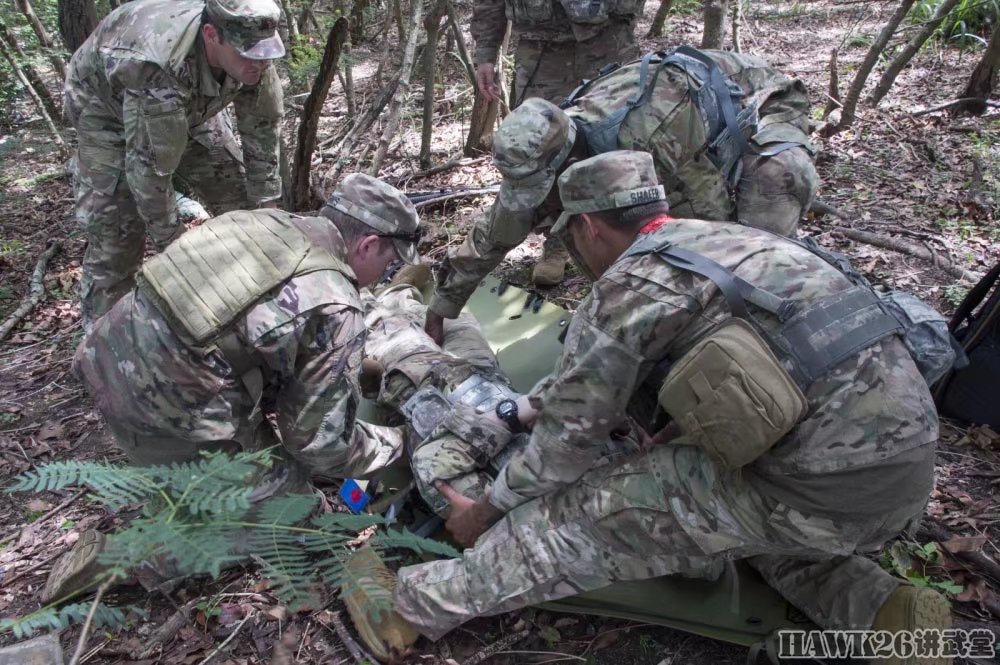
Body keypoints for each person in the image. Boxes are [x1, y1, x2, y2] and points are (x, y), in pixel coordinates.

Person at [354, 151, 949, 665]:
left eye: (570, 237)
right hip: (897, 480)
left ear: (588, 226)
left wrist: (486, 510)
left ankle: (412, 608)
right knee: (762, 529)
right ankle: (878, 608)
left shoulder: (630, 286)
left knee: (581, 518)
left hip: (808, 478)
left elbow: (564, 451)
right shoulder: (734, 240)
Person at [425, 48, 819, 341]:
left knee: (764, 212)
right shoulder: (543, 144)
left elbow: (709, 231)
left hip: (763, 105)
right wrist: (443, 305)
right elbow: (499, 228)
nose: (539, 200)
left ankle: (787, 323)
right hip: (689, 121)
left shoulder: (647, 137)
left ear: (570, 159)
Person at [72, 173, 421, 487]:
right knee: (295, 518)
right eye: (389, 263)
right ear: (369, 245)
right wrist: (402, 443)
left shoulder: (260, 221)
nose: (385, 274)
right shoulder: (336, 304)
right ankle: (128, 556)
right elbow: (319, 446)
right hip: (159, 410)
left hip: (103, 360)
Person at [65, 0, 286, 323]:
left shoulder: (254, 50)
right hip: (105, 110)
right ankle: (105, 342)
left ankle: (258, 304)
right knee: (118, 236)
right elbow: (149, 172)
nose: (261, 63)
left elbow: (262, 128)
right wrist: (177, 246)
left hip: (189, 97)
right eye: (249, 54)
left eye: (266, 54)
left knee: (242, 202)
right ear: (212, 35)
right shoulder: (158, 67)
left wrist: (268, 206)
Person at [471, 0, 644, 286]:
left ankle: (622, 239)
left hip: (606, 41)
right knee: (540, 145)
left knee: (615, 142)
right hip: (541, 48)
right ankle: (558, 241)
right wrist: (486, 52)